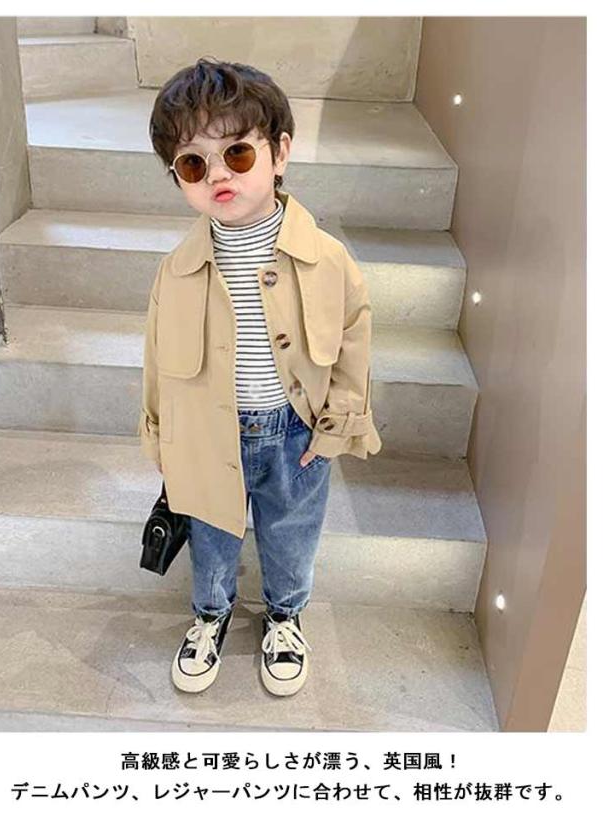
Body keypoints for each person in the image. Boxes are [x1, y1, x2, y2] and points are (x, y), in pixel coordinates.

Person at [142, 57, 382, 697]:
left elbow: (353, 337)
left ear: (280, 153)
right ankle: (210, 614)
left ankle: (284, 616)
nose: (218, 174)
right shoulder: (176, 270)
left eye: (237, 153)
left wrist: (335, 424)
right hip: (206, 431)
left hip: (294, 432)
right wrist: (163, 437)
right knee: (212, 533)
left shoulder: (327, 259)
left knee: (291, 532)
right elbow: (157, 359)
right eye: (194, 165)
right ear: (179, 179)